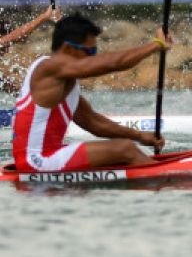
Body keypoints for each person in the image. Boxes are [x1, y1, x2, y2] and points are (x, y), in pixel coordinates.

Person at [11, 14, 173, 173]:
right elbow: (111, 63)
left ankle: (154, 174)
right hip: (36, 161)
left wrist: (139, 136)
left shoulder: (62, 83)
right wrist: (156, 44)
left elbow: (93, 122)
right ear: (68, 48)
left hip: (47, 156)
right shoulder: (49, 67)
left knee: (124, 150)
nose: (92, 57)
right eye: (90, 52)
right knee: (125, 149)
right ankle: (166, 180)